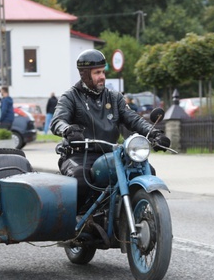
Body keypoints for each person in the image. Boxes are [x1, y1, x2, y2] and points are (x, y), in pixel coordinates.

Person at [51, 49, 171, 210]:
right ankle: (78, 222)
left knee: (145, 170)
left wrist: (154, 133)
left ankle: (135, 213)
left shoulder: (114, 98)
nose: (102, 76)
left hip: (110, 154)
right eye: (97, 72)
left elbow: (132, 118)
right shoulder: (71, 97)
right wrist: (67, 130)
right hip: (80, 155)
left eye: (103, 71)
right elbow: (57, 120)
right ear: (85, 74)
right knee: (80, 179)